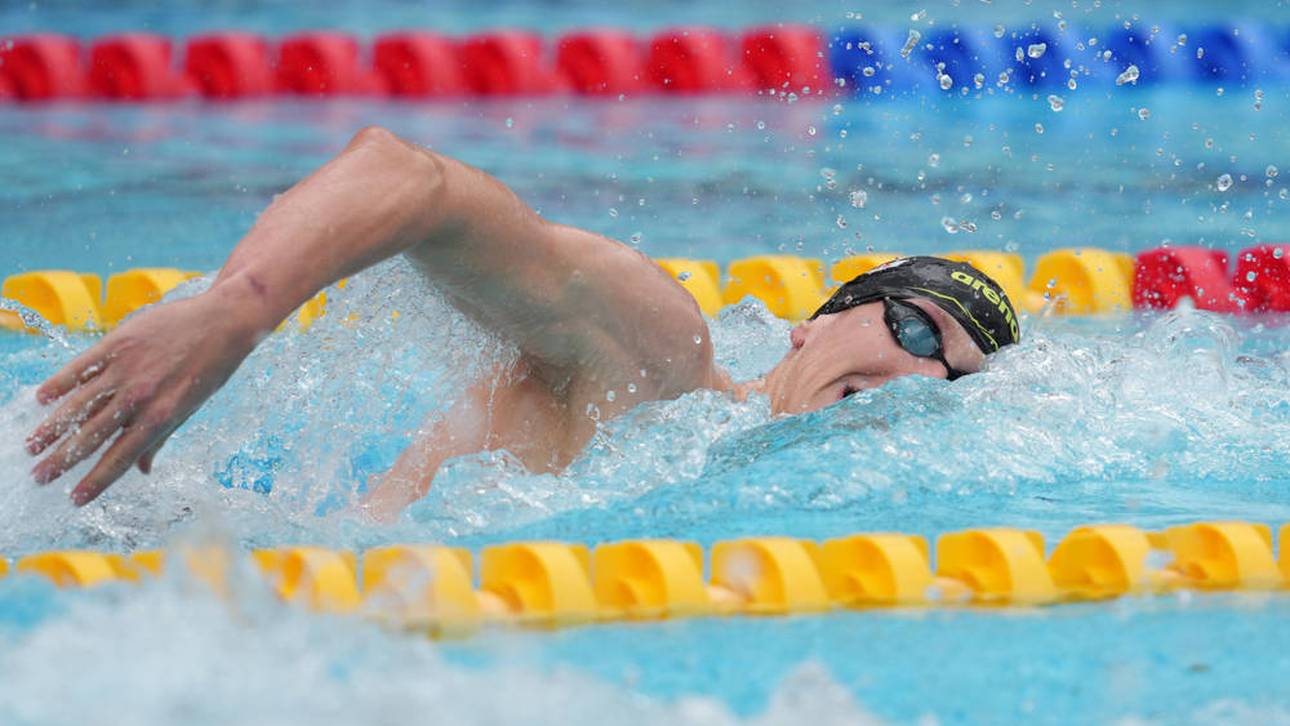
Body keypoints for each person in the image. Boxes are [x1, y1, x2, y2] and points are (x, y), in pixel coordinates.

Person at [24, 126, 1020, 518]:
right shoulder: (656, 363)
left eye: (955, 378)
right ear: (815, 321)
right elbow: (408, 179)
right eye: (921, 332)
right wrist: (231, 314)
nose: (926, 378)